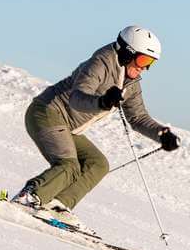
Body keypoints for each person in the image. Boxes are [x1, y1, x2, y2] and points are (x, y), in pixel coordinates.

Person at [11, 26, 179, 229]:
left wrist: (162, 134)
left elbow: (138, 117)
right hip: (46, 113)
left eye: (151, 63)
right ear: (127, 52)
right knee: (68, 165)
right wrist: (103, 101)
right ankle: (29, 197)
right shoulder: (101, 63)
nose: (145, 68)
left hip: (68, 127)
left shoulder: (131, 82)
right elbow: (77, 98)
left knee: (97, 164)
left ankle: (58, 206)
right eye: (143, 60)